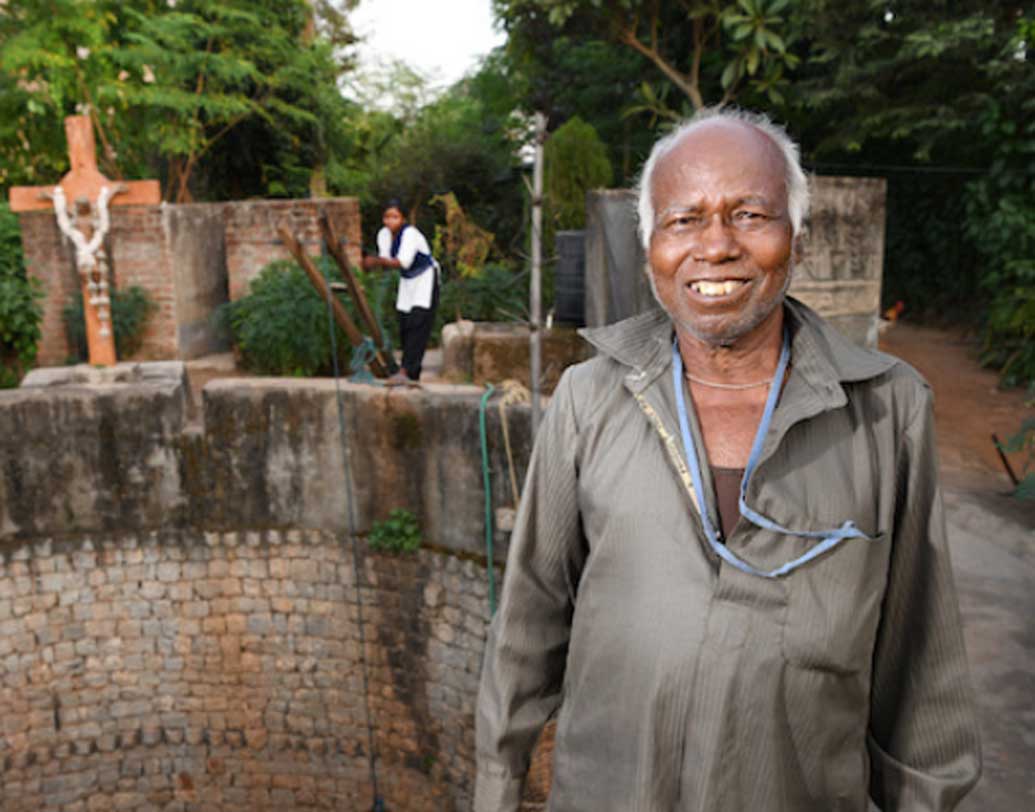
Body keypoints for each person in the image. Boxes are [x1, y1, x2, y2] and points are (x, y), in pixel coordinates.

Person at [474, 108, 981, 811]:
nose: (715, 247)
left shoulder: (886, 410)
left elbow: (921, 668)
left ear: (795, 239)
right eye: (683, 220)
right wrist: (496, 790)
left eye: (748, 214)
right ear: (649, 243)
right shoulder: (588, 399)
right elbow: (528, 621)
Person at [362, 199, 440, 384]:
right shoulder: (384, 235)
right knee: (404, 322)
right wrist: (371, 264)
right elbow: (387, 261)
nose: (391, 221)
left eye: (395, 217)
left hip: (425, 278)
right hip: (407, 280)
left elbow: (402, 262)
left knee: (418, 322)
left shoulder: (410, 234)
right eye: (387, 217)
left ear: (403, 219)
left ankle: (406, 370)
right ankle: (411, 373)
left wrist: (376, 261)